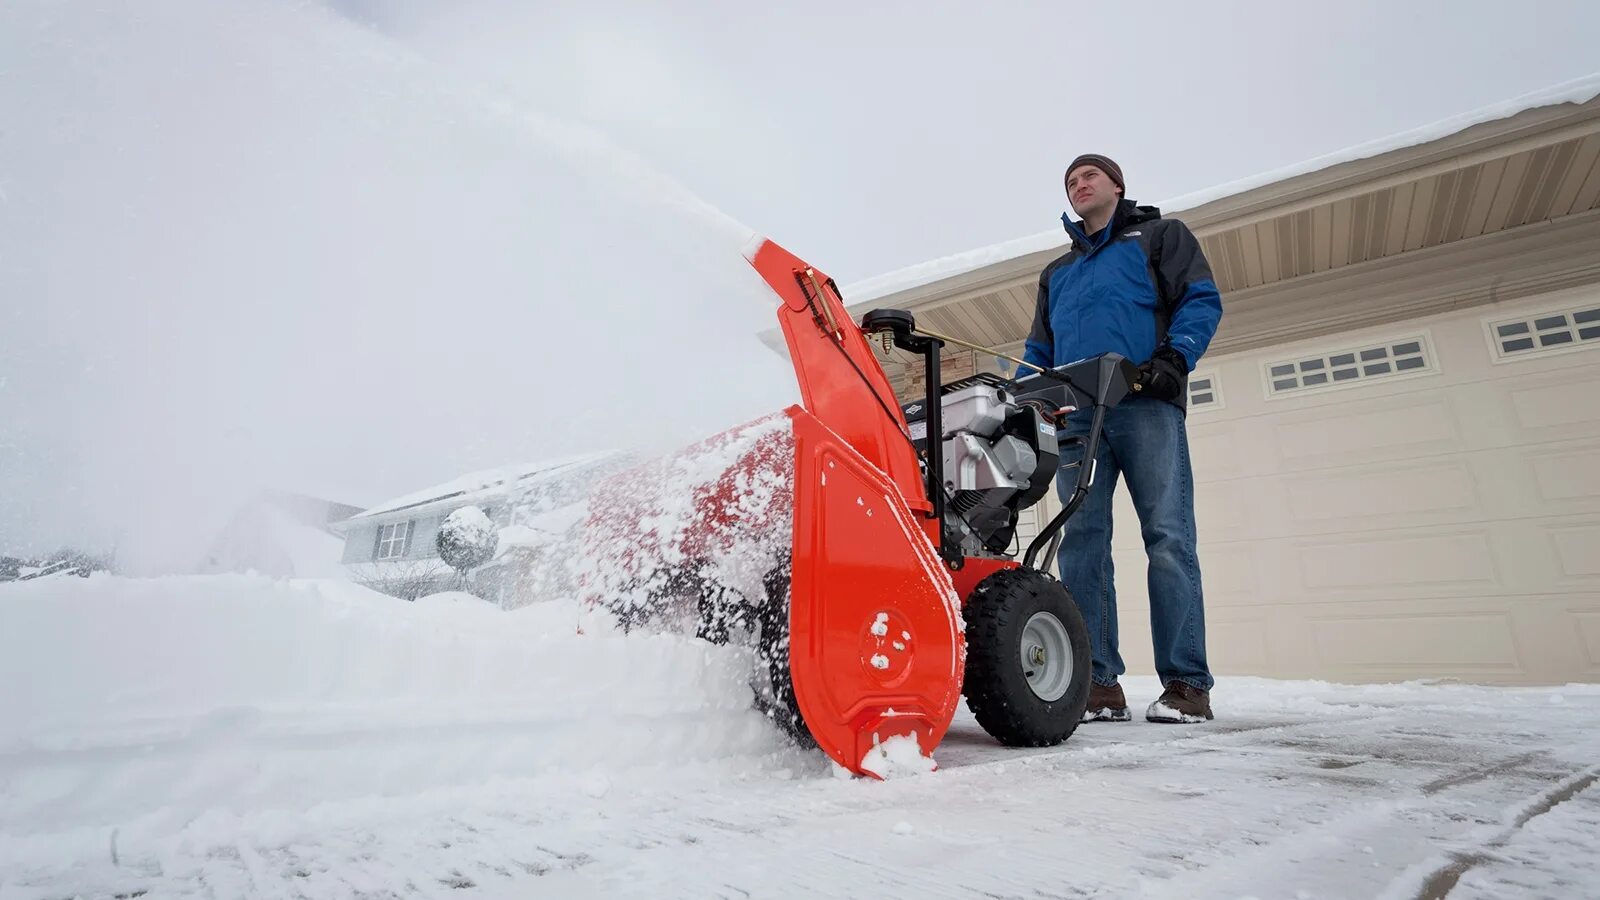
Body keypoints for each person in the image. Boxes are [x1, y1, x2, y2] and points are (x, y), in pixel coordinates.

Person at [1022, 154, 1223, 724]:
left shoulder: (1159, 236)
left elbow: (1201, 300)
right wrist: (1028, 399)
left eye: (1089, 176)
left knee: (1168, 536)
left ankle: (1186, 684)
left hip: (1144, 404)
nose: (1079, 185)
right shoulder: (1056, 274)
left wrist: (1174, 358)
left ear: (1116, 186)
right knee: (1083, 543)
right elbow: (1040, 347)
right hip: (1078, 416)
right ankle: (1098, 685)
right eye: (1070, 181)